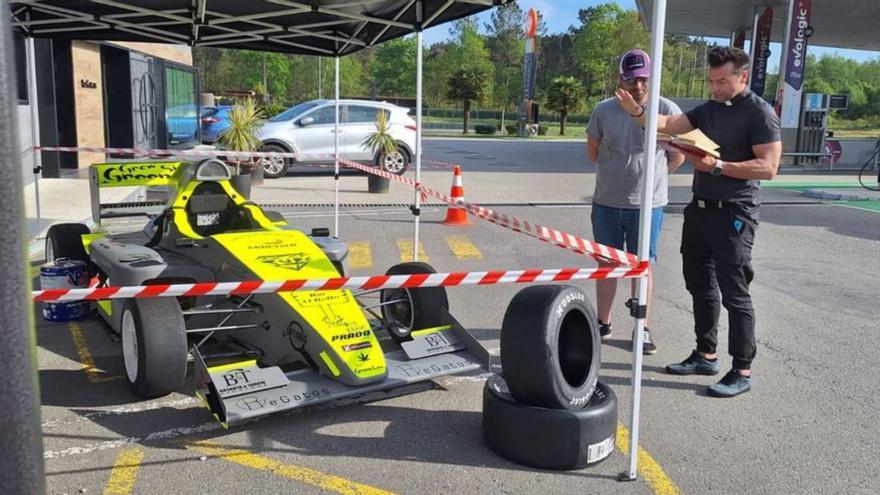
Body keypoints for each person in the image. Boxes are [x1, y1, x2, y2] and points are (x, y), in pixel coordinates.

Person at [615, 46, 782, 397]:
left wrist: (719, 166)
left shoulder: (759, 113)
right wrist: (638, 113)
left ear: (743, 76)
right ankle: (706, 354)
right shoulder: (708, 110)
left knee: (735, 293)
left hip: (735, 213)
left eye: (722, 81)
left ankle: (742, 369)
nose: (716, 88)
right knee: (700, 284)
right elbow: (667, 124)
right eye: (711, 81)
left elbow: (768, 167)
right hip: (701, 209)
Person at [586, 49, 685, 355]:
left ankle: (641, 327)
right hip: (606, 203)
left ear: (651, 77)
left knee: (642, 267)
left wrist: (651, 180)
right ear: (621, 78)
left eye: (643, 79)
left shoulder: (666, 109)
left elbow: (678, 155)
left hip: (648, 207)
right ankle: (603, 322)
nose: (638, 86)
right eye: (631, 79)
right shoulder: (604, 111)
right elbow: (593, 152)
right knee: (607, 264)